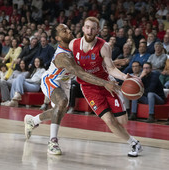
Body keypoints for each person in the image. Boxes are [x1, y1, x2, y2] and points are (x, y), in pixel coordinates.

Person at [24, 23, 118, 155]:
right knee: (62, 102)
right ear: (58, 38)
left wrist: (114, 64)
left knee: (60, 112)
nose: (69, 31)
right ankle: (53, 141)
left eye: (68, 28)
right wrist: (104, 83)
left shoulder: (77, 46)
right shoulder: (62, 56)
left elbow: (91, 64)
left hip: (65, 82)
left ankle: (32, 121)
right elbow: (81, 73)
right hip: (51, 80)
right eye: (64, 30)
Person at [69, 17, 142, 157]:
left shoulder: (104, 46)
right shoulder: (73, 45)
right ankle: (134, 143)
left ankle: (130, 138)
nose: (89, 31)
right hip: (89, 89)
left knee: (122, 121)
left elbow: (111, 69)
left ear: (98, 31)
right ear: (83, 28)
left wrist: (126, 77)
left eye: (93, 28)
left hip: (107, 85)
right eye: (87, 27)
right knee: (109, 120)